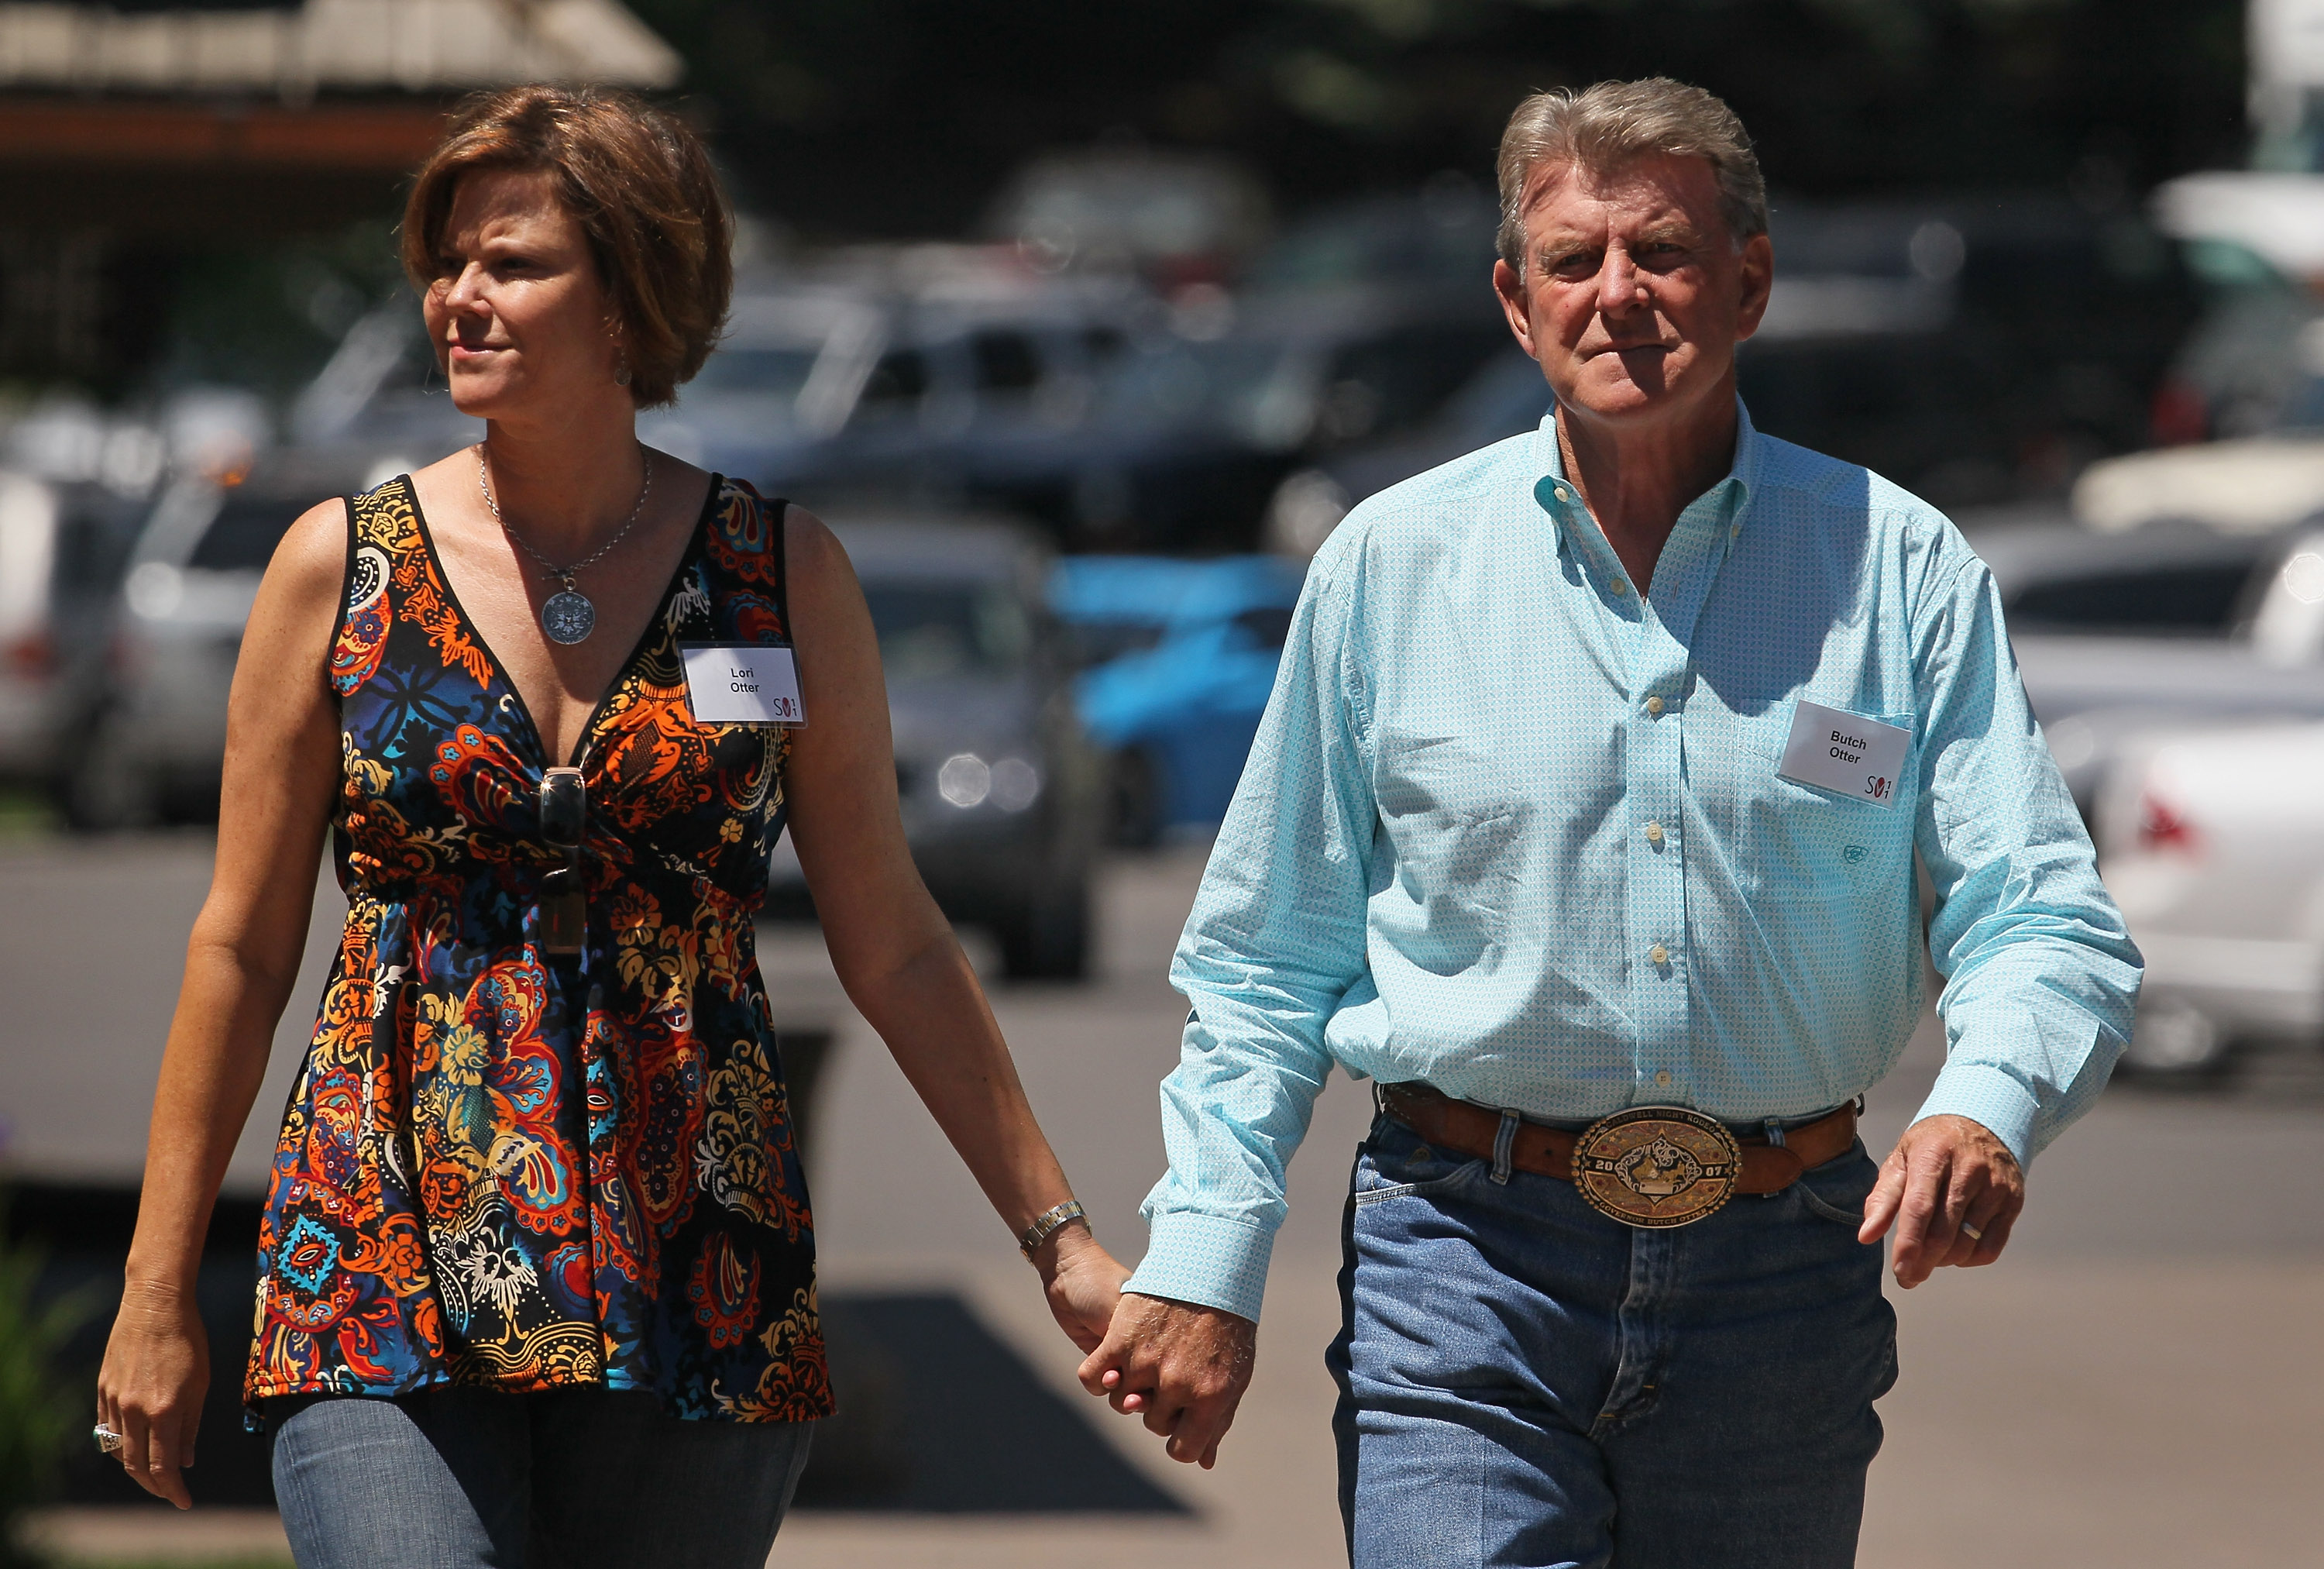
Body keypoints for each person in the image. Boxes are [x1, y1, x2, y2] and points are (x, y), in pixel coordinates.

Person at [1080, 77, 2141, 1567]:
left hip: (1785, 1279)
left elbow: (2037, 908)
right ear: (1517, 303)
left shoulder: (1900, 569)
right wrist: (1204, 1258)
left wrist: (1987, 1101)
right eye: (1575, 260)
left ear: (1751, 281)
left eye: (1663, 252)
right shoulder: (1391, 566)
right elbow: (1268, 960)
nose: (1618, 295)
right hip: (1466, 1264)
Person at [93, 84, 1127, 1567]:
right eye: (449, 260)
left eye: (513, 262)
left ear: (634, 292)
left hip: (698, 1256)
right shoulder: (340, 566)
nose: (460, 294)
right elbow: (241, 946)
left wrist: (1060, 1241)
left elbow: (892, 937)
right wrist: (153, 1290)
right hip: (387, 1247)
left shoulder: (782, 574)